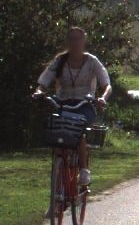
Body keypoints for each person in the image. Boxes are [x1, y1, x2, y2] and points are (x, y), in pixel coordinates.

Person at [32, 27, 111, 191]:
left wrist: (102, 98)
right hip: (62, 102)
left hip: (84, 104)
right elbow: (44, 81)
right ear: (67, 42)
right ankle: (58, 173)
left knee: (78, 131)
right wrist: (39, 91)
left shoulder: (92, 61)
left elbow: (107, 84)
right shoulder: (60, 60)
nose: (75, 43)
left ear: (84, 41)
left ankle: (83, 170)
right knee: (56, 131)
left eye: (78, 39)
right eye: (72, 39)